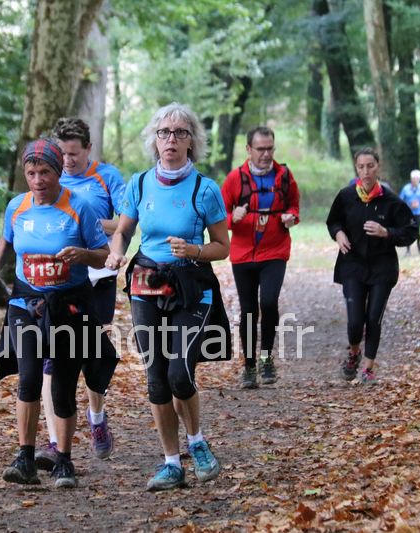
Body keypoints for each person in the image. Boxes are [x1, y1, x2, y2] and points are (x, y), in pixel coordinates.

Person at [105, 103, 231, 491]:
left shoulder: (205, 189)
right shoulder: (140, 184)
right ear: (154, 140)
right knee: (156, 380)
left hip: (191, 287)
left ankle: (198, 443)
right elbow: (123, 230)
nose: (171, 139)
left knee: (180, 373)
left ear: (192, 141)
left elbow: (223, 246)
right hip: (146, 285)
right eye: (164, 132)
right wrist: (115, 252)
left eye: (179, 132)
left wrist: (194, 250)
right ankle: (171, 463)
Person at [0, 138, 114, 489]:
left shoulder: (79, 207)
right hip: (26, 303)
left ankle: (64, 461)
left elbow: (103, 253)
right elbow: (7, 239)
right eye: (31, 173)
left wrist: (82, 255)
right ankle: (24, 458)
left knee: (63, 387)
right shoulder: (17, 206)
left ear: (57, 172)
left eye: (45, 173)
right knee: (28, 379)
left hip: (69, 306)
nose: (38, 180)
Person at [32, 118, 125, 469]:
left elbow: (125, 222)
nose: (67, 161)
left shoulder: (107, 177)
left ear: (88, 149)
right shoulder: (49, 179)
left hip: (98, 277)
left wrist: (86, 222)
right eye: (62, 154)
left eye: (73, 154)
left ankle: (96, 416)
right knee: (51, 358)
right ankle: (55, 440)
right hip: (57, 283)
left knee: (91, 355)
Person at [326, 147, 418, 384]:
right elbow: (333, 221)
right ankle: (354, 353)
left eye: (370, 166)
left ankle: (368, 368)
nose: (366, 171)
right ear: (356, 169)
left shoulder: (391, 201)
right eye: (361, 167)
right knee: (355, 321)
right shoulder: (346, 196)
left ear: (378, 167)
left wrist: (387, 232)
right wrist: (339, 234)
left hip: (382, 268)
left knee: (374, 317)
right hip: (352, 265)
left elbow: (411, 231)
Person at [221, 126, 300, 389]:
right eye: (260, 149)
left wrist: (291, 217)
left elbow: (294, 205)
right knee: (248, 310)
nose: (266, 154)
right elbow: (219, 217)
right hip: (243, 254)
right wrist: (233, 218)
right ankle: (249, 366)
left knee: (268, 302)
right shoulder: (235, 179)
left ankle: (266, 358)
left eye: (270, 149)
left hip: (275, 251)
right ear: (249, 149)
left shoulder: (284, 176)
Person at [399, 169, 420, 254]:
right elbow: (400, 201)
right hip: (408, 214)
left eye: (417, 178)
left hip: (418, 213)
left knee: (417, 231)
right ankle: (408, 250)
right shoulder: (406, 189)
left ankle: (419, 247)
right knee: (408, 230)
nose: (416, 180)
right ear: (411, 179)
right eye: (414, 178)